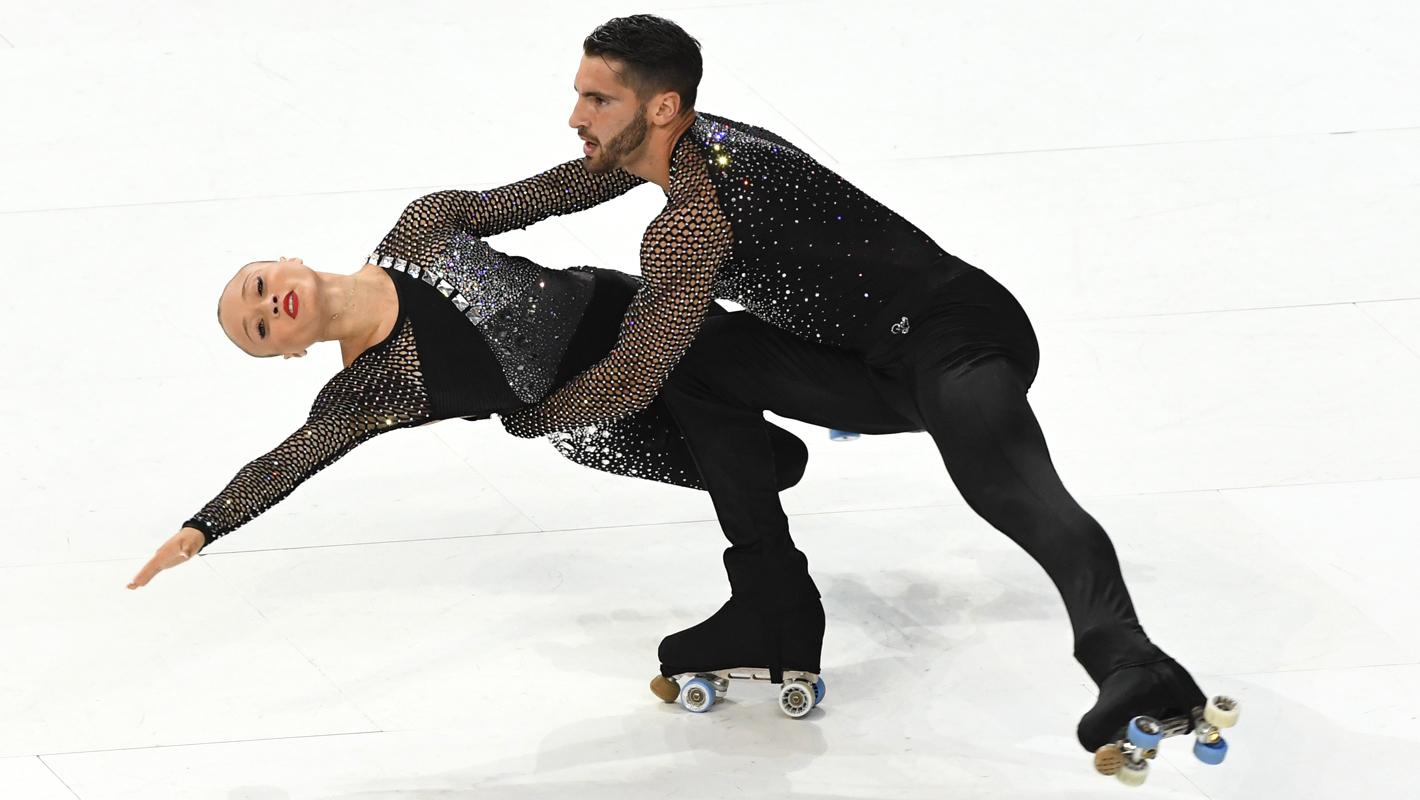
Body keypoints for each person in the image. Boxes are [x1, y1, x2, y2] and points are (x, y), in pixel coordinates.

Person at [449, 14, 1210, 752]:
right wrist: (431, 231)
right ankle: (771, 608)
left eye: (598, 100)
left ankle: (1131, 662)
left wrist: (522, 413)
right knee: (702, 361)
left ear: (662, 107)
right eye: (580, 94)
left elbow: (630, 377)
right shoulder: (676, 151)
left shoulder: (694, 217)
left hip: (957, 337)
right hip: (863, 365)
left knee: (1010, 489)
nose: (576, 116)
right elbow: (539, 196)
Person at [125, 203, 810, 589]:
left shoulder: (420, 230)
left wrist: (643, 145)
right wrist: (203, 526)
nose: (271, 305)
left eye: (259, 289)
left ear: (288, 259)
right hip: (593, 418)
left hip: (629, 319)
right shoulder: (365, 390)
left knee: (804, 377)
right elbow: (285, 461)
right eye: (262, 328)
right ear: (290, 351)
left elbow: (549, 190)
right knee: (781, 465)